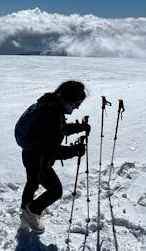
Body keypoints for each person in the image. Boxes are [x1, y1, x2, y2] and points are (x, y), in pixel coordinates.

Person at [14, 80, 90, 234]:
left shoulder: (49, 104)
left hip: (29, 152)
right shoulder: (53, 115)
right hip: (40, 159)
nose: (77, 107)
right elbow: (52, 150)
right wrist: (74, 151)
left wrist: (78, 127)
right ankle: (31, 212)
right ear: (70, 99)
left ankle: (25, 208)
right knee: (55, 190)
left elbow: (57, 131)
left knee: (32, 181)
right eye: (77, 102)